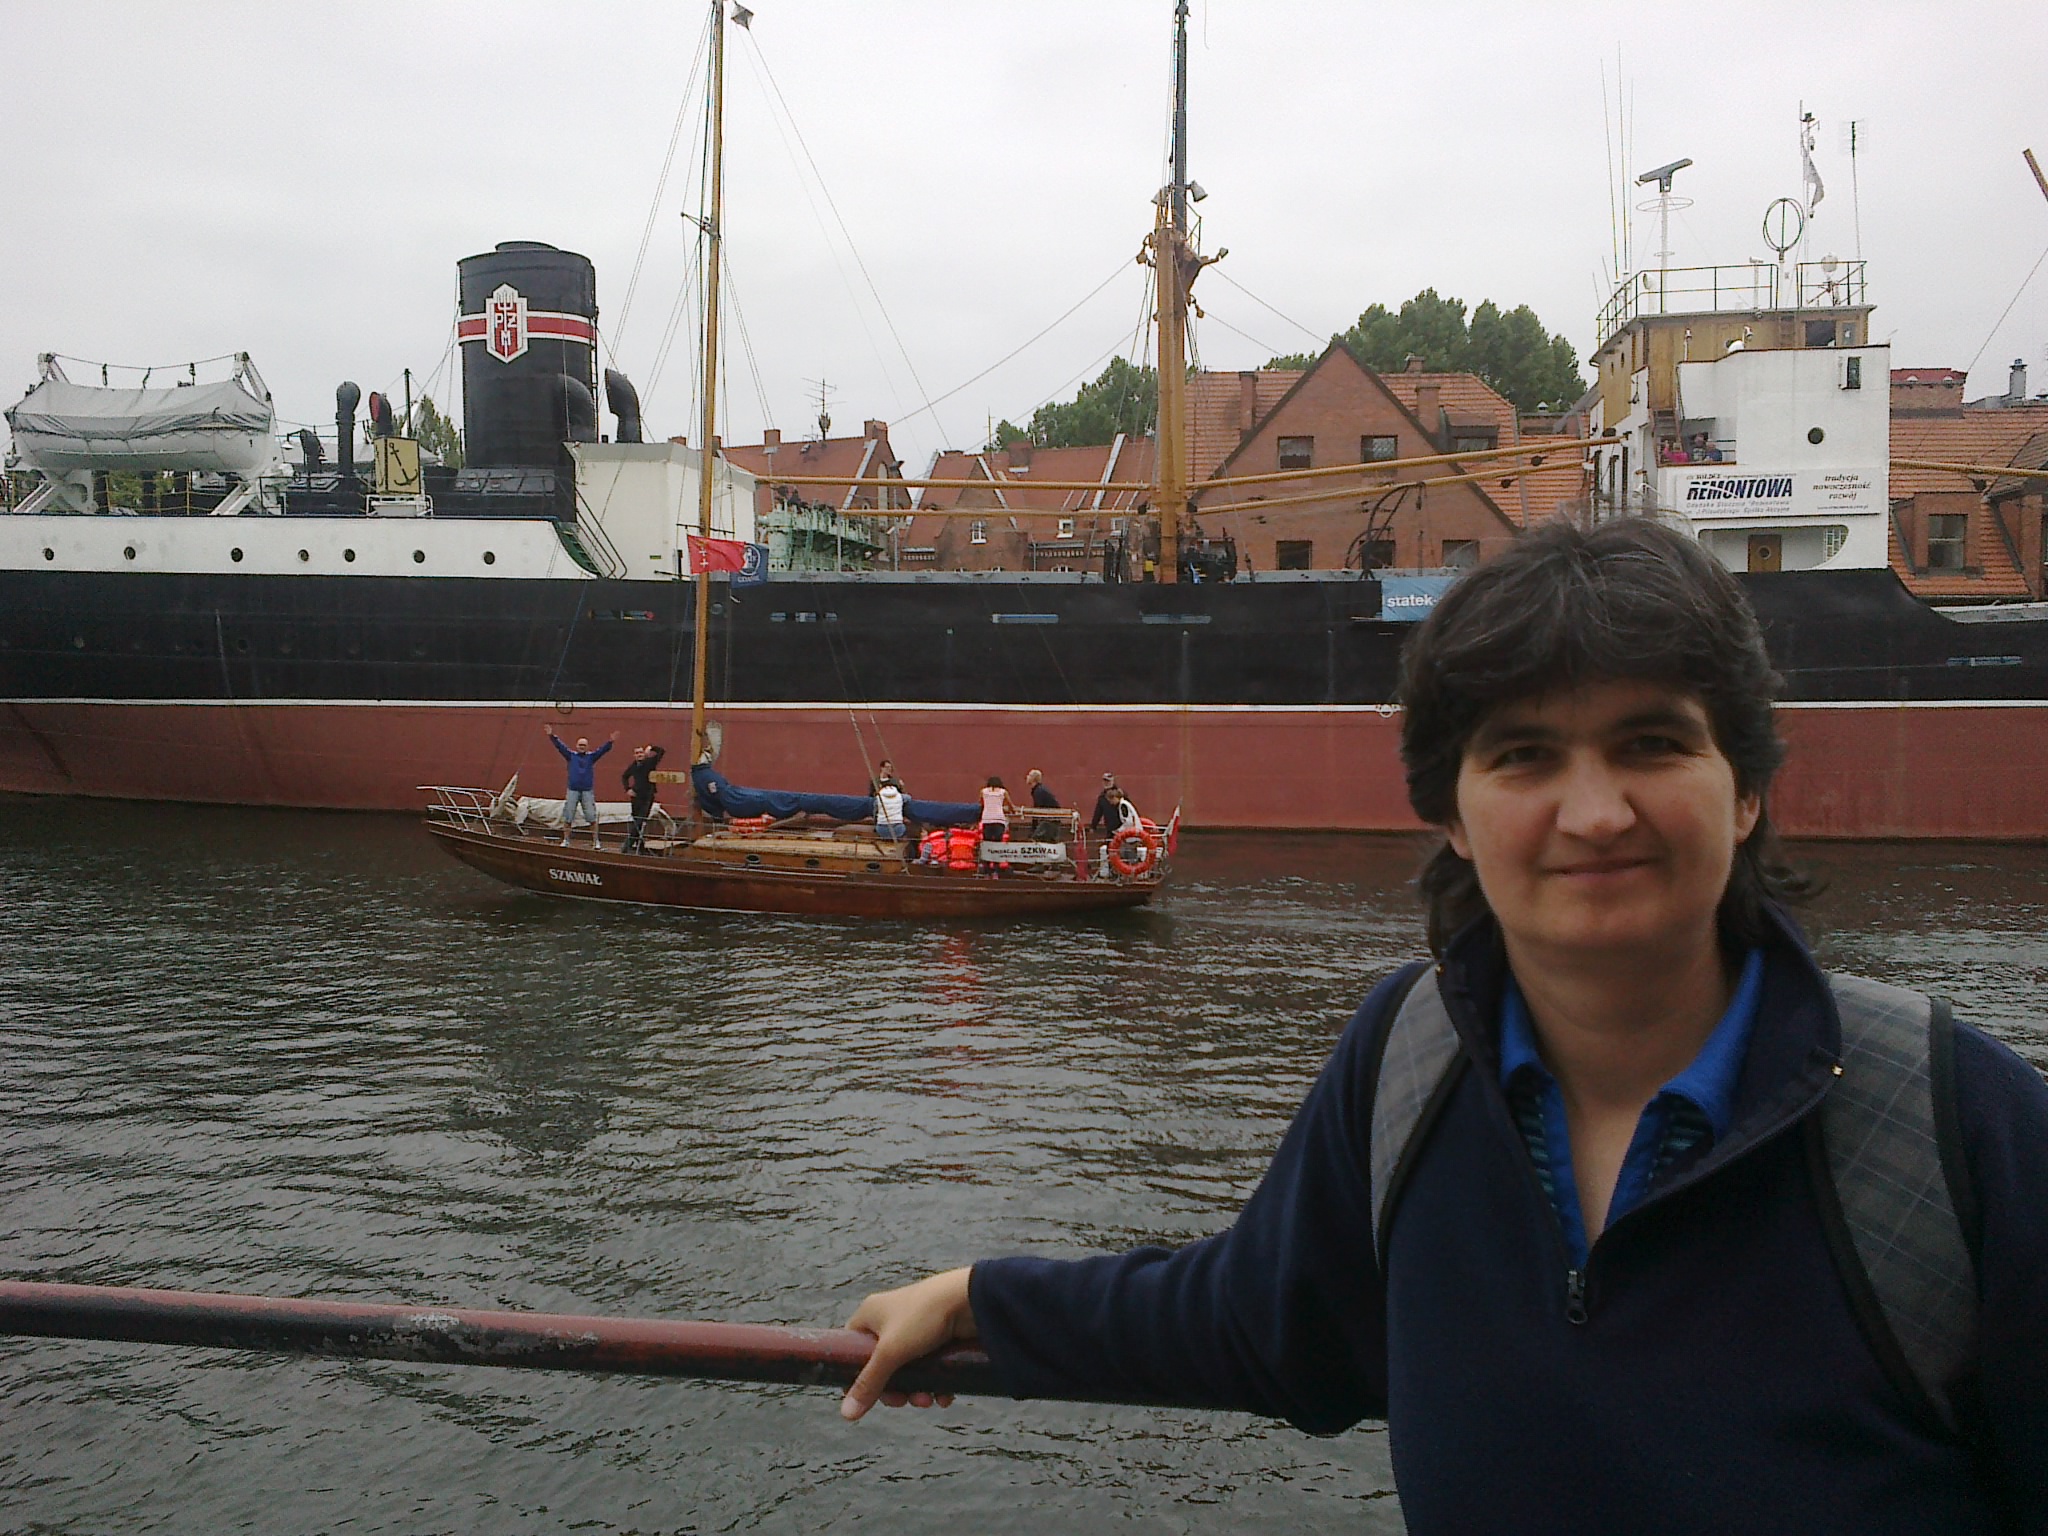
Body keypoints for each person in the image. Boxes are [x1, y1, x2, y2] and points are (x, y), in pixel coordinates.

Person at [837, 518, 2048, 1530]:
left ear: (1742, 789)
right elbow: (1253, 1319)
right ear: (1452, 816)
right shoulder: (1405, 1066)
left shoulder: (1958, 1133)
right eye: (1522, 755)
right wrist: (986, 1298)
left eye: (1649, 743)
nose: (1593, 812)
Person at [544, 724, 616, 847]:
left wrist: (610, 742)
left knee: (591, 816)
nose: (582, 747)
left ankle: (595, 841)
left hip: (587, 791)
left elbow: (602, 751)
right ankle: (566, 840)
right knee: (568, 816)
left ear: (587, 747)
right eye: (580, 745)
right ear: (576, 746)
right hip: (572, 790)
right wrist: (552, 735)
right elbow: (560, 747)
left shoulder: (591, 757)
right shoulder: (571, 755)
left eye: (584, 745)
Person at [620, 743, 666, 853]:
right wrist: (628, 789)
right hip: (636, 796)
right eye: (637, 753)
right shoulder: (633, 766)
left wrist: (651, 748)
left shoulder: (650, 762)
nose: (639, 755)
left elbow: (661, 751)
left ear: (644, 753)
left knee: (641, 820)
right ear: (634, 755)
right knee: (637, 821)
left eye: (641, 752)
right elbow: (624, 776)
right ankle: (640, 846)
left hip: (648, 796)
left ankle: (627, 845)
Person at [1025, 768, 1060, 841]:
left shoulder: (1038, 791)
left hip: (1048, 822)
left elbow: (1038, 809)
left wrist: (1034, 828)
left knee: (1035, 839)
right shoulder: (1039, 790)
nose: (1027, 777)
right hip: (1050, 821)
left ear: (1033, 778)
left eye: (1029, 775)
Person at [978, 776, 1012, 845]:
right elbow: (1010, 805)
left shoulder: (983, 791)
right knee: (998, 842)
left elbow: (981, 803)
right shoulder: (1003, 792)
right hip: (999, 819)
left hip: (987, 819)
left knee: (987, 841)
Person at [875, 777, 908, 846]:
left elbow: (875, 812)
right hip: (897, 829)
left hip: (882, 829)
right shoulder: (901, 796)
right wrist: (902, 788)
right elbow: (909, 798)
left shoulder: (878, 797)